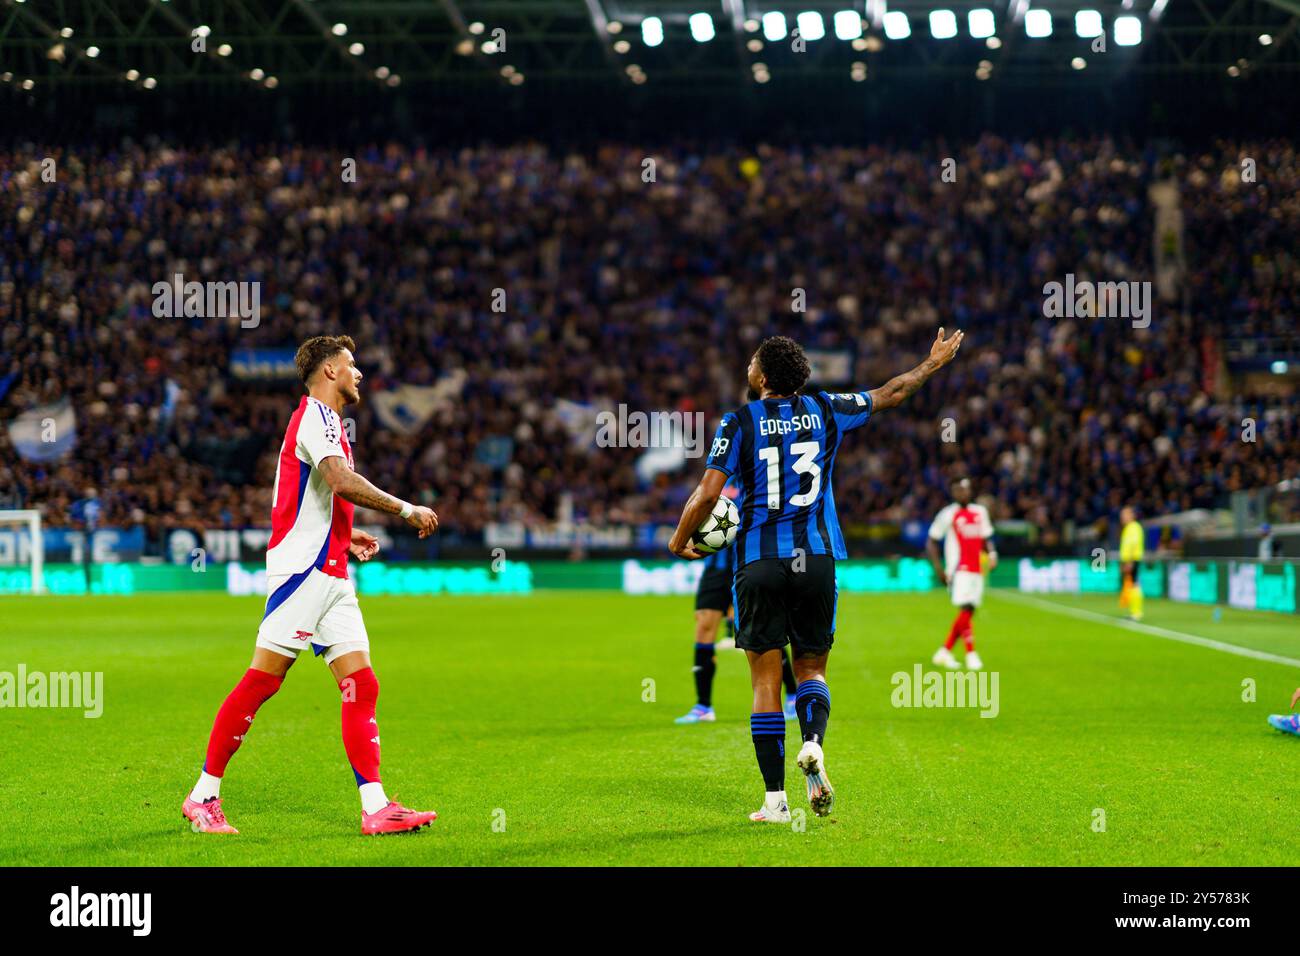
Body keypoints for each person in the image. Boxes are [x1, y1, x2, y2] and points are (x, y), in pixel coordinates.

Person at [669, 328, 963, 823]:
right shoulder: (827, 408)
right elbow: (891, 393)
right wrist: (932, 363)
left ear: (761, 376)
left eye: (751, 363)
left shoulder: (739, 422)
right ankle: (813, 742)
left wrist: (679, 542)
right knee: (811, 670)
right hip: (817, 558)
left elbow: (704, 496)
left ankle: (774, 802)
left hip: (759, 562)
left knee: (765, 681)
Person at [182, 335, 441, 836]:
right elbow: (340, 480)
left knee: (361, 683)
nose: (359, 374)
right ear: (328, 372)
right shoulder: (317, 418)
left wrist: (344, 534)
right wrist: (407, 509)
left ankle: (375, 807)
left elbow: (318, 494)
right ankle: (202, 797)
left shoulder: (328, 423)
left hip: (331, 569)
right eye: (351, 365)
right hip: (304, 572)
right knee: (263, 680)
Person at [927, 478, 997, 671]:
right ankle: (971, 653)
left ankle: (944, 651)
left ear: (970, 490)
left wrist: (992, 554)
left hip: (977, 569)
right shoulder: (948, 514)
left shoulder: (980, 512)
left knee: (969, 610)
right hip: (958, 569)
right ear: (953, 493)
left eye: (965, 489)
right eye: (958, 490)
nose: (962, 493)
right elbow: (931, 541)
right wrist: (939, 569)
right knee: (966, 608)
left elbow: (986, 538)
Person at [1118, 506, 1145, 621]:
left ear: (1132, 515)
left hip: (1132, 560)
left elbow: (1133, 544)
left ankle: (1136, 613)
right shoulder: (1129, 528)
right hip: (1129, 560)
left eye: (1125, 515)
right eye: (1122, 515)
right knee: (1132, 585)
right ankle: (1133, 611)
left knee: (1135, 585)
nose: (1123, 518)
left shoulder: (1134, 527)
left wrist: (1129, 562)